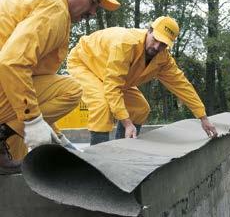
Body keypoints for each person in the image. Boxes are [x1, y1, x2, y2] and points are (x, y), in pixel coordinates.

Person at [0, 0, 121, 174]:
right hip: (6, 81)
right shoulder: (55, 9)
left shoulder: (41, 1)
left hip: (7, 86)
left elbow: (34, 87)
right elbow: (12, 62)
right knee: (71, 90)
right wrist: (32, 120)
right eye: (94, 1)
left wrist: (60, 139)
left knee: (17, 152)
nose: (93, 12)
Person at [67, 16, 218, 145]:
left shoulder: (163, 59)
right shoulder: (125, 44)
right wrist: (127, 123)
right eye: (156, 39)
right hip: (85, 63)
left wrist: (203, 117)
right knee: (102, 105)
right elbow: (113, 87)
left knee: (140, 108)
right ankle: (97, 162)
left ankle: (122, 149)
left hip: (112, 75)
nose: (157, 46)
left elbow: (182, 85)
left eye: (163, 44)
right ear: (149, 31)